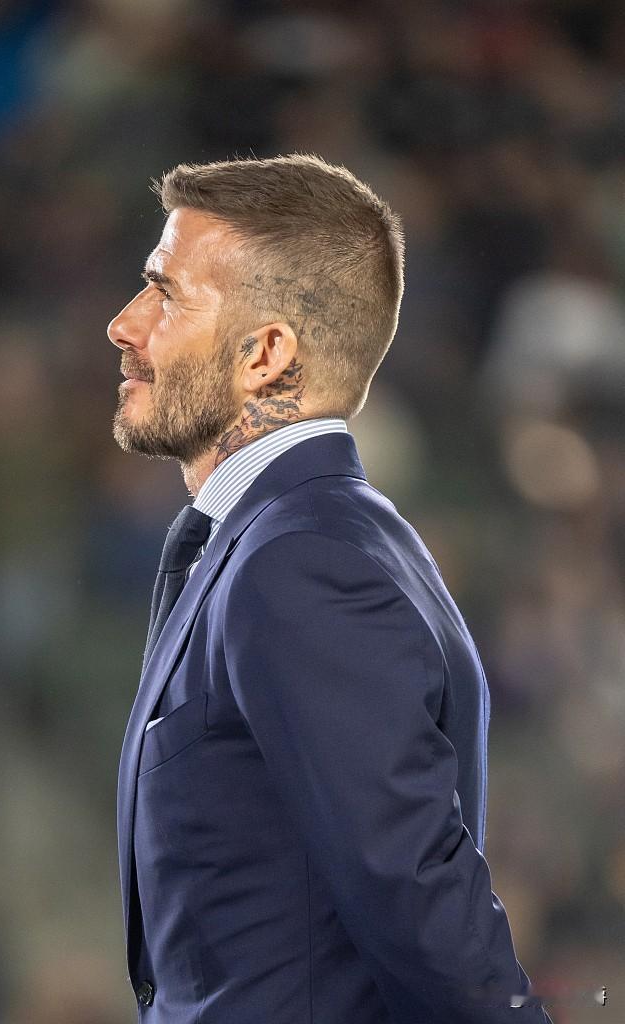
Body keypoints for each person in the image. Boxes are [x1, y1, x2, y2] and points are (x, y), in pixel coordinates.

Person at [109, 154, 551, 1023]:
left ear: (266, 354)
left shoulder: (302, 563)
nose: (125, 324)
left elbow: (420, 906)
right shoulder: (289, 541)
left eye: (166, 294)